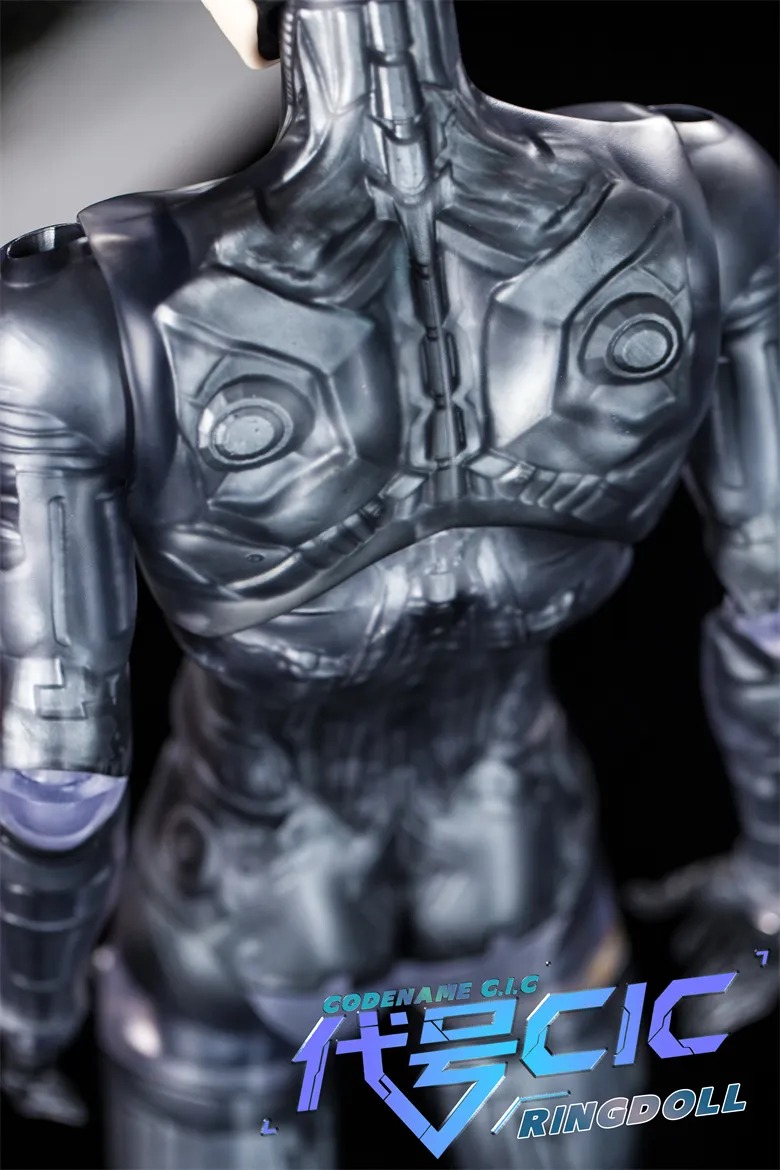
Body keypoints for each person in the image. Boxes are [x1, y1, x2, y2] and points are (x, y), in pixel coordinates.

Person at [1, 1, 777, 1166]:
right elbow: (772, 604)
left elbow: (57, 775)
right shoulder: (700, 198)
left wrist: (28, 1011)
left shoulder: (76, 324)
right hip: (519, 863)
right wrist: (769, 887)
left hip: (244, 904)